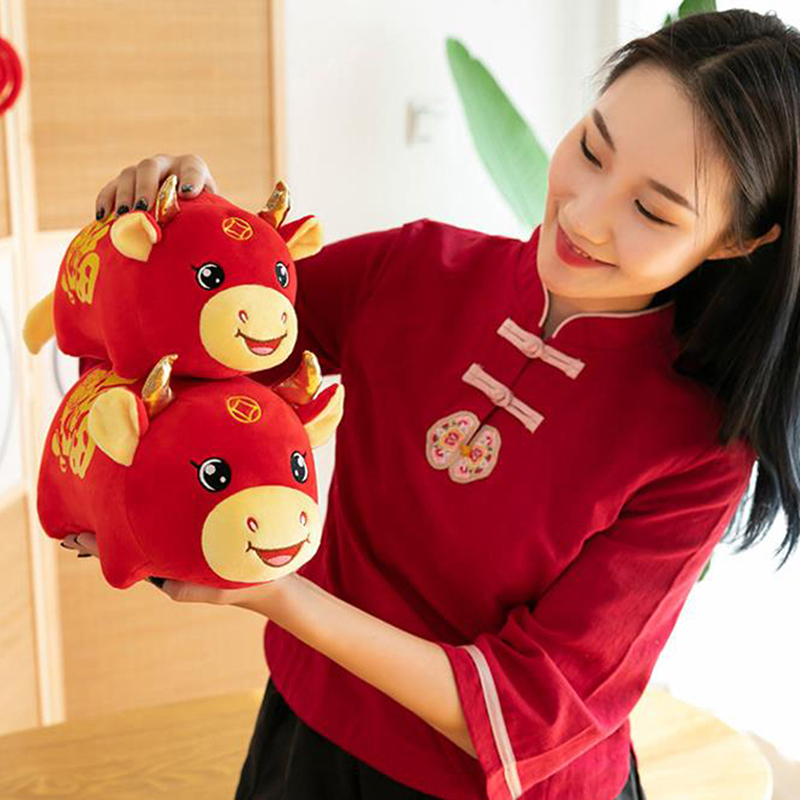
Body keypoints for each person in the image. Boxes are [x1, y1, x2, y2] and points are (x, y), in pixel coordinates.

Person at [64, 8, 800, 799]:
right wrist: (175, 235)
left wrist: (279, 596)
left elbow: (528, 710)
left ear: (741, 240)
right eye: (592, 149)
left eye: (653, 211)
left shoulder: (699, 450)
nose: (585, 215)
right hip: (307, 739)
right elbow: (177, 351)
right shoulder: (418, 268)